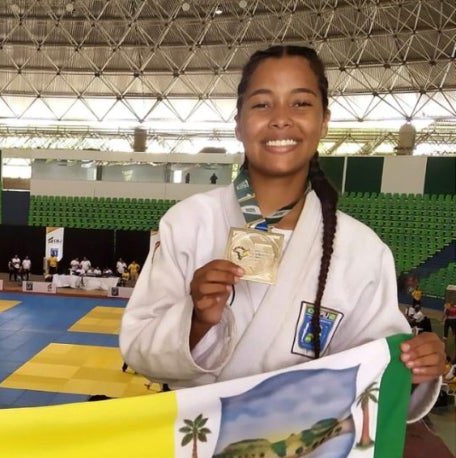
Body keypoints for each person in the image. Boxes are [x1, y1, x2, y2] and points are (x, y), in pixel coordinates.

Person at [121, 45, 443, 422]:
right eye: (262, 104)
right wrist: (197, 322)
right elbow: (138, 348)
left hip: (308, 449)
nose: (280, 120)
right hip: (196, 441)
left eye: (300, 103)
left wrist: (417, 369)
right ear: (238, 123)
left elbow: (377, 375)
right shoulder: (188, 222)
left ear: (324, 121)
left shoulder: (363, 251)